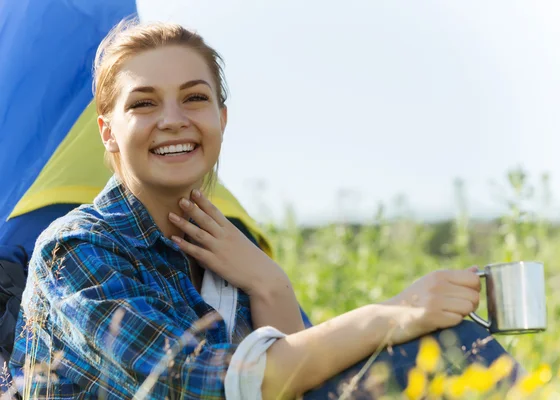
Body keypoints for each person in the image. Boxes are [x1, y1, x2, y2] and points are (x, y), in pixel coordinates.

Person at [9, 19, 521, 399]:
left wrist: (270, 284)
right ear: (108, 133)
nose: (172, 120)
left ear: (221, 118)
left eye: (194, 99)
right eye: (143, 103)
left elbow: (298, 383)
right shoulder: (77, 248)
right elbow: (200, 385)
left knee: (458, 340)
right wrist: (394, 313)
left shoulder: (225, 246)